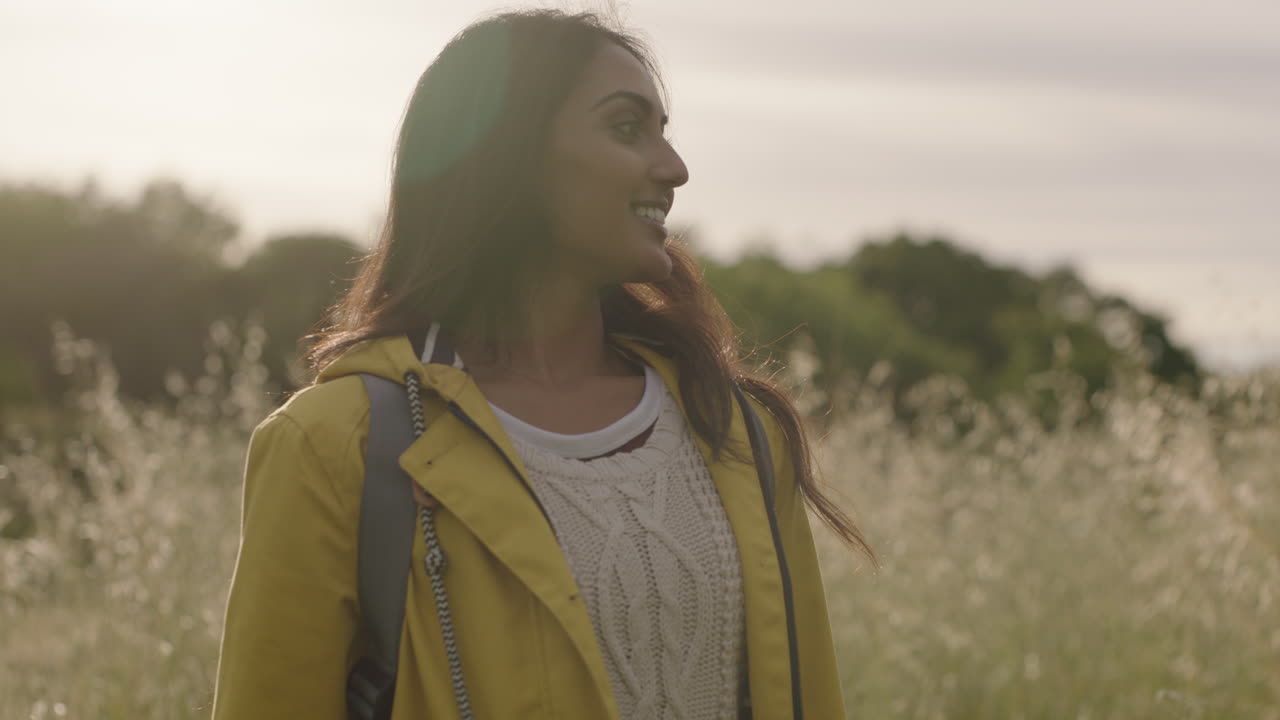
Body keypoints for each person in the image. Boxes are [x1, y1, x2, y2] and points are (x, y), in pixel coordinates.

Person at [211, 8, 873, 720]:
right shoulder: (334, 446)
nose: (674, 169)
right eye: (626, 128)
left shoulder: (737, 430)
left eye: (664, 134)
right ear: (508, 156)